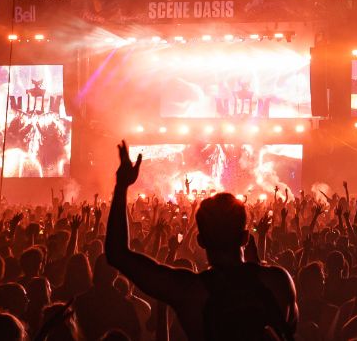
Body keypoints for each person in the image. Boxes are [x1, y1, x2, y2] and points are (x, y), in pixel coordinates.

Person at [104, 141, 298, 340]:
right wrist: (255, 265)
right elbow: (287, 331)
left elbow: (117, 254)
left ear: (200, 240)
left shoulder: (190, 291)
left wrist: (121, 186)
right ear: (245, 238)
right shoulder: (278, 281)